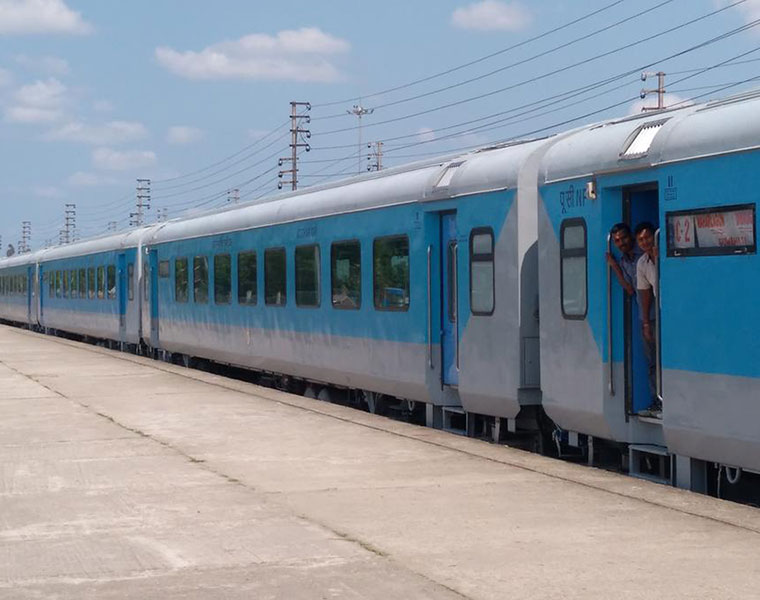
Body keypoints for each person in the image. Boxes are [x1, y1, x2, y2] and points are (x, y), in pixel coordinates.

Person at [635, 222, 661, 416]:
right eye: (641, 240)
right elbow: (645, 294)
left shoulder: (665, 256)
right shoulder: (642, 263)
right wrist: (646, 322)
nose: (645, 242)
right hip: (657, 315)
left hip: (672, 314)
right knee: (653, 359)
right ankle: (657, 400)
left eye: (647, 237)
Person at [606, 223, 640, 296]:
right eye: (617, 241)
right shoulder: (624, 262)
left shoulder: (644, 253)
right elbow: (629, 289)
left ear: (631, 236)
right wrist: (614, 265)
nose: (621, 243)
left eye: (624, 238)